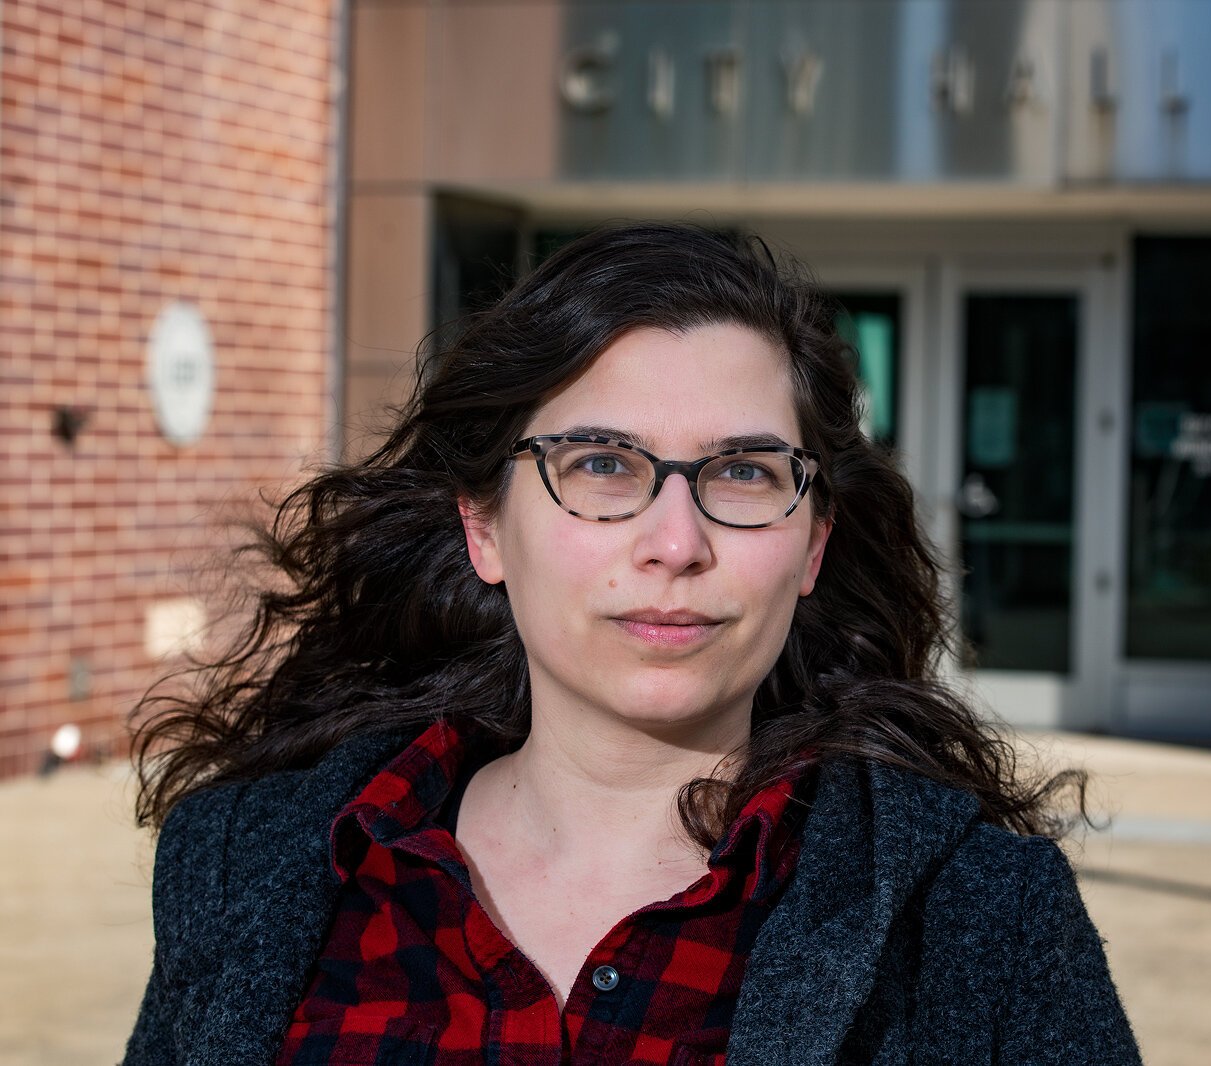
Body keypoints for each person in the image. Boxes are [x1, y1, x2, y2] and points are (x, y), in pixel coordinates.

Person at [124, 222, 1141, 1065]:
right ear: (484, 525)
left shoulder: (980, 922)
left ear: (813, 540)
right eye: (602, 463)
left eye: (742, 474)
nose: (674, 544)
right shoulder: (248, 868)